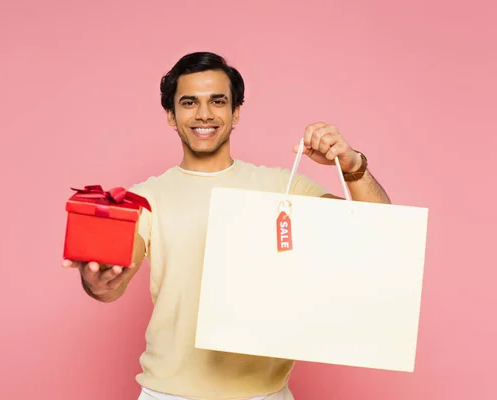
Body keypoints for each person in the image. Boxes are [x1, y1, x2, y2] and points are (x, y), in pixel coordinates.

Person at [63, 51, 391, 400]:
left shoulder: (283, 186)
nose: (204, 114)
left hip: (264, 395)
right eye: (189, 102)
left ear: (235, 113)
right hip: (169, 394)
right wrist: (98, 279)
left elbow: (378, 230)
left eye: (217, 101)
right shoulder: (144, 198)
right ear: (171, 116)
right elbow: (112, 282)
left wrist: (353, 164)